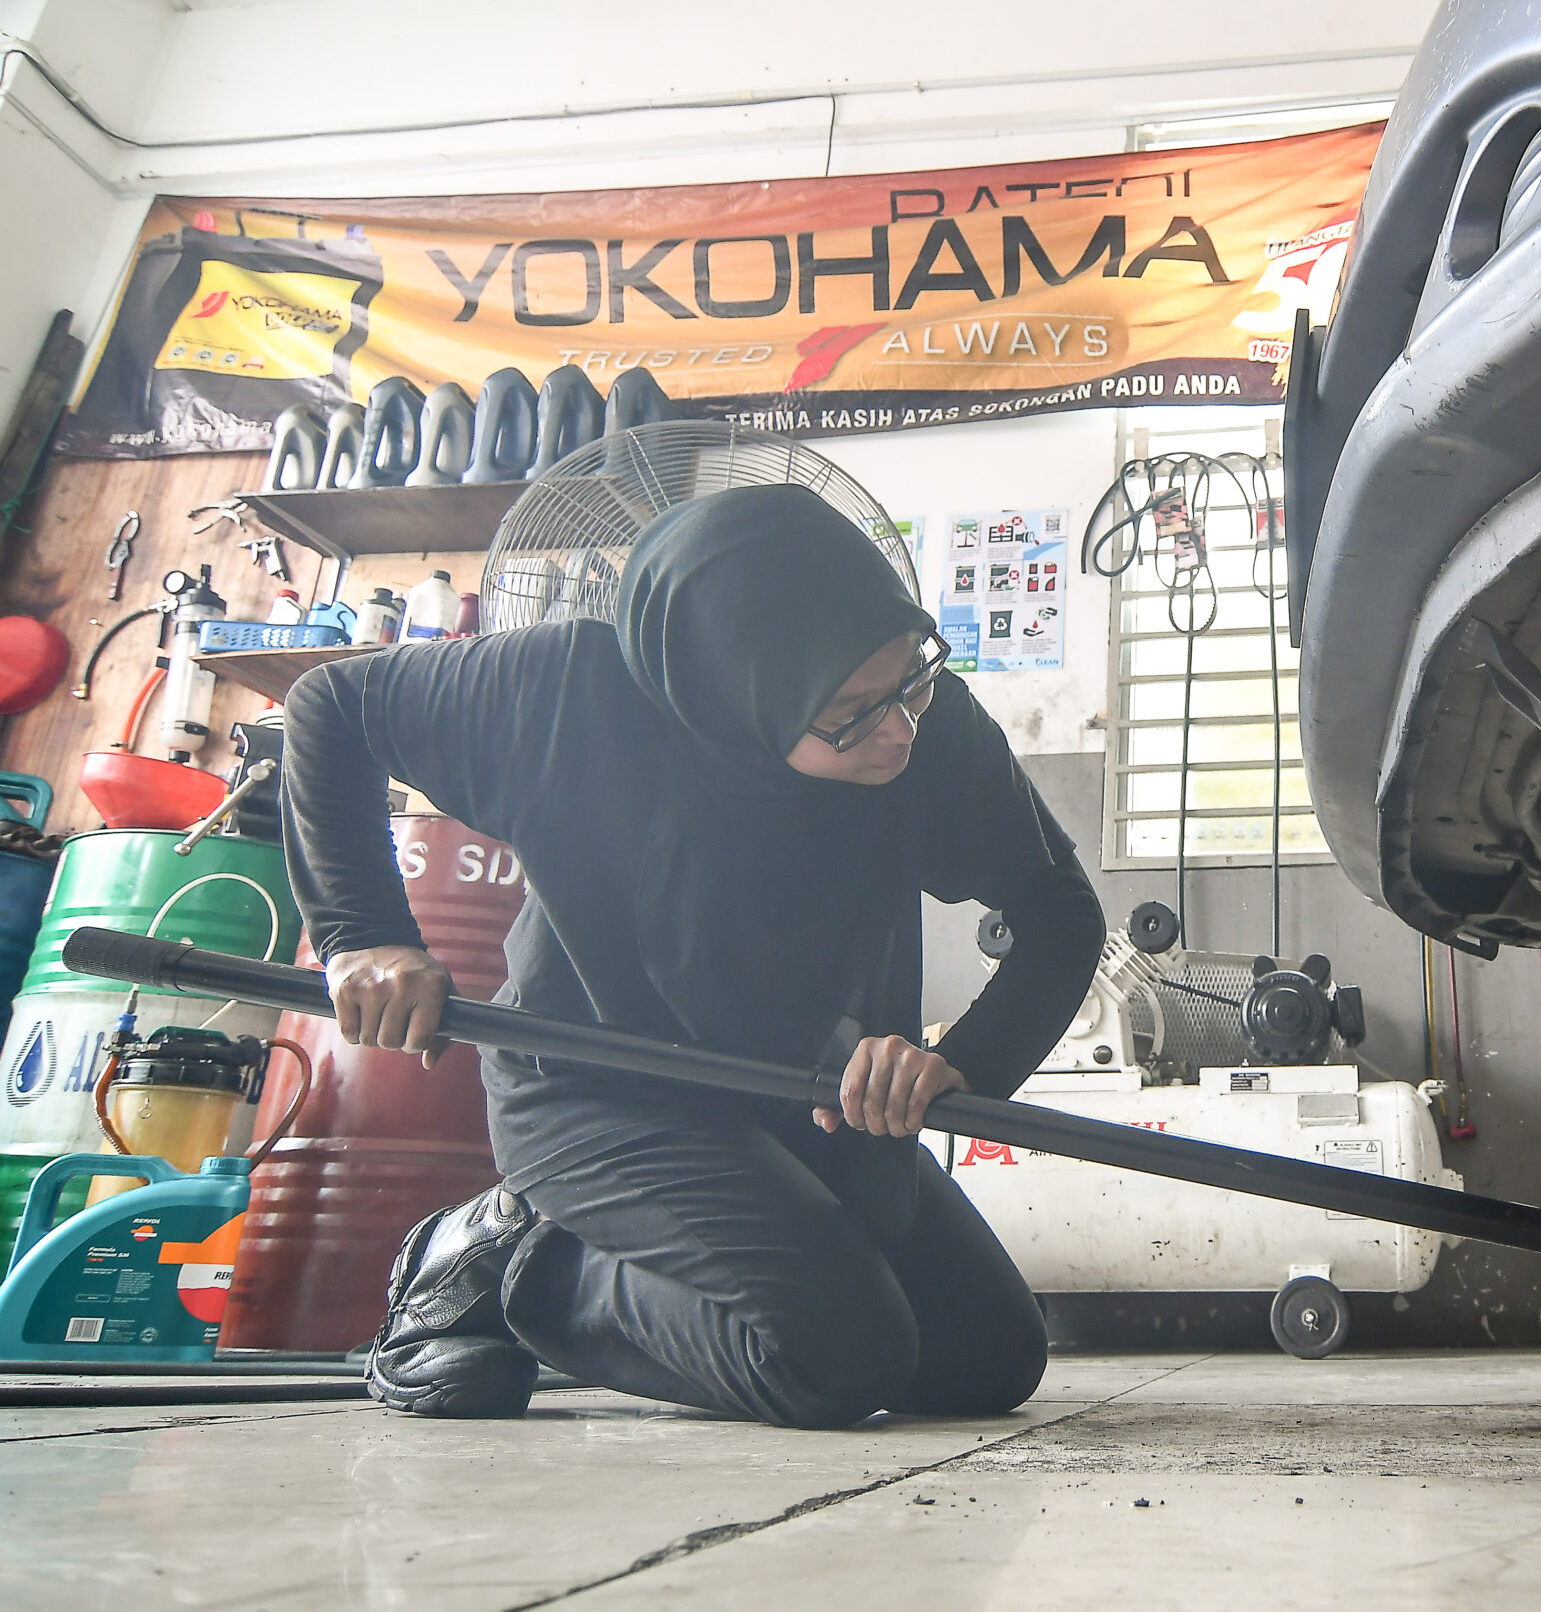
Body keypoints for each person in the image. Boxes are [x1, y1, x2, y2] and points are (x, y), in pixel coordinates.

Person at [282, 484, 1104, 1426]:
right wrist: (363, 933)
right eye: (849, 711)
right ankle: (518, 1266)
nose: (898, 731)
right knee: (841, 1358)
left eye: (910, 680)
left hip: (797, 1083)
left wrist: (961, 1062)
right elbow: (330, 708)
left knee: (987, 1357)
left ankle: (644, 1259)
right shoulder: (563, 693)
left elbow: (1060, 914)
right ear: (742, 691)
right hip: (590, 1086)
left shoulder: (931, 727)